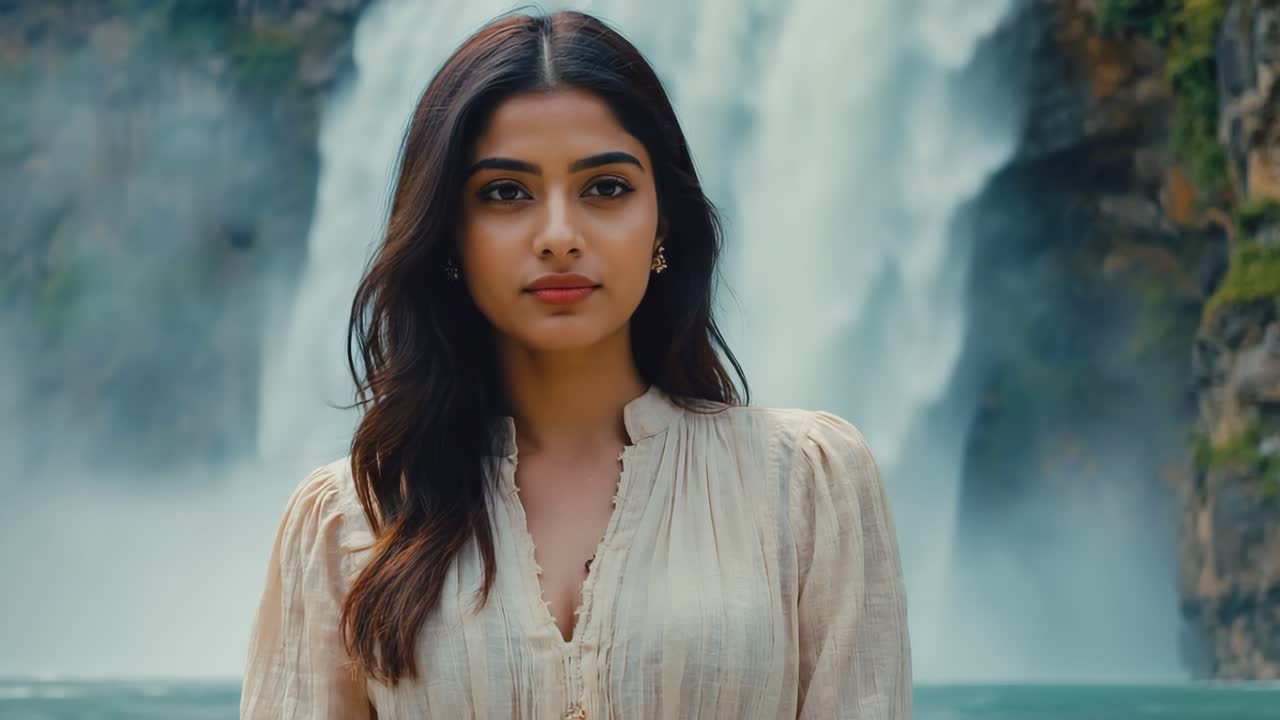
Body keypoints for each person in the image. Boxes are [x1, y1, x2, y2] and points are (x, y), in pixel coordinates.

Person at [239, 9, 911, 719]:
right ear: (447, 236)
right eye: (505, 193)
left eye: (606, 188)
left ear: (664, 224)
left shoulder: (805, 485)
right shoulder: (353, 519)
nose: (559, 236)